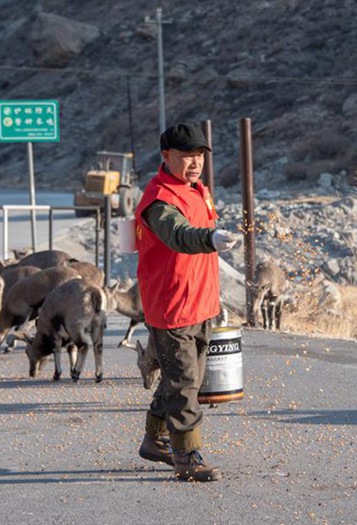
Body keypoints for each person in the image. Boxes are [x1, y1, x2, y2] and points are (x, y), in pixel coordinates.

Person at [134, 122, 239, 482]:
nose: (195, 163)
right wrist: (211, 237)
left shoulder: (197, 190)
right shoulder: (159, 200)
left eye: (199, 156)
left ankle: (154, 440)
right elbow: (180, 236)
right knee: (183, 383)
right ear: (167, 156)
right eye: (186, 156)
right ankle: (186, 456)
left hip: (201, 301)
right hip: (171, 304)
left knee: (183, 379)